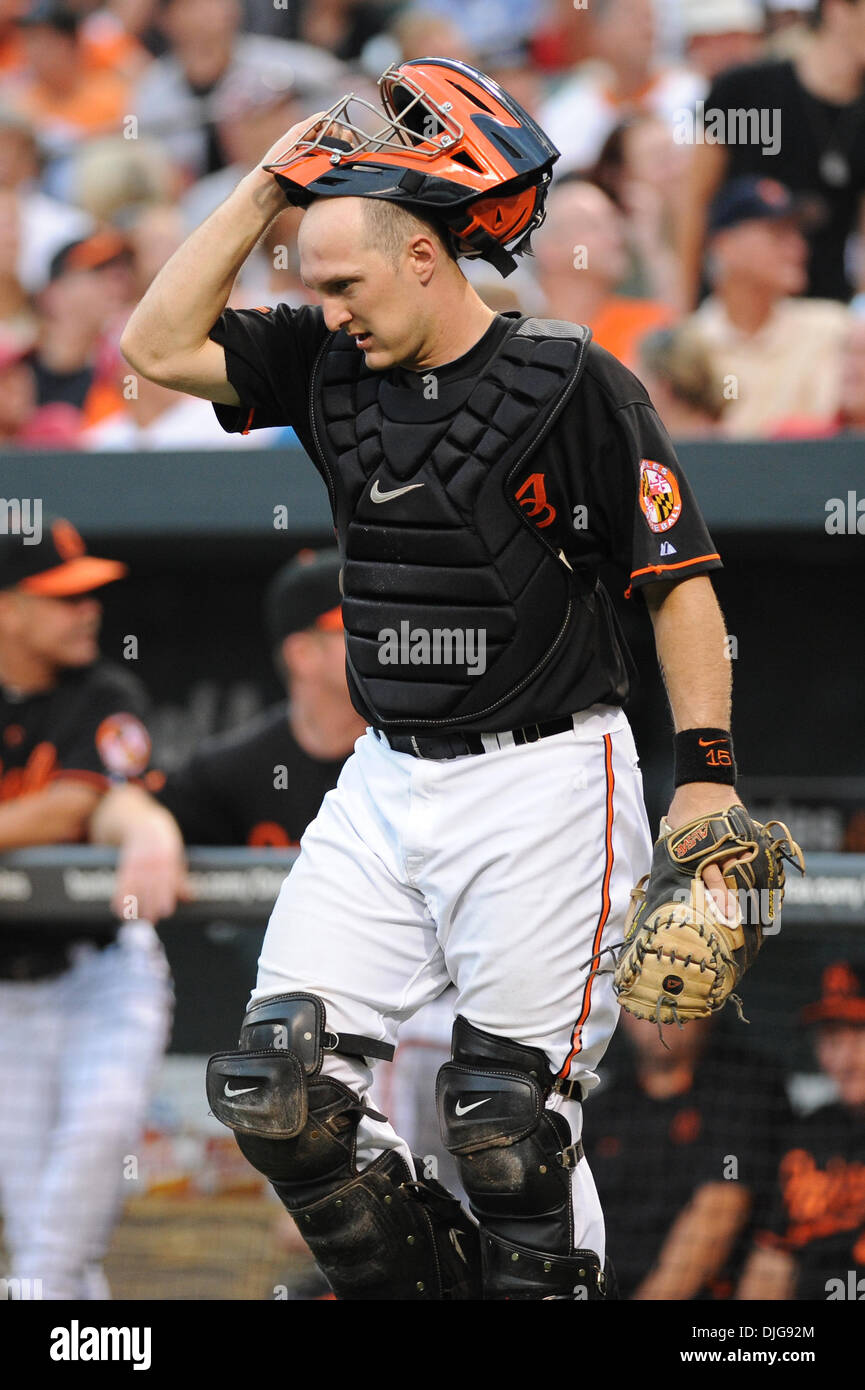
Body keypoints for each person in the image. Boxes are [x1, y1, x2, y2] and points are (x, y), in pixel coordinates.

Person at [120, 56, 752, 1302]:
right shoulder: (323, 362)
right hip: (387, 778)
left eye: (348, 278)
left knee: (507, 1127)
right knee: (277, 1089)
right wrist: (264, 190)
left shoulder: (576, 380)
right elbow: (155, 343)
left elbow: (680, 580)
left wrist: (707, 773)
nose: (332, 305)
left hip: (549, 777)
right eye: (318, 283)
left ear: (425, 259)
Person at [0, 518, 172, 1300]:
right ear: (8, 611)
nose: (87, 613)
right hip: (9, 994)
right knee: (43, 1231)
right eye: (62, 599)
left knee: (87, 1165)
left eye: (89, 597)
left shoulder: (105, 691)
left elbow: (70, 808)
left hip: (100, 973)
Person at [586, 1010, 790, 1300]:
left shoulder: (746, 1089)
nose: (661, 1010)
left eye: (677, 989)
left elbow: (715, 1220)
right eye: (646, 991)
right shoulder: (603, 1104)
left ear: (711, 1001)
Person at [678, 0, 865, 306]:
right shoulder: (743, 89)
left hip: (822, 313)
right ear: (838, 10)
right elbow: (694, 202)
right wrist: (684, 306)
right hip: (731, 307)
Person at [737, 961, 865, 1300]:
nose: (845, 1060)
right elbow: (772, 1260)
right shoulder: (808, 1135)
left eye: (859, 1036)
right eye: (832, 1040)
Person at [685, 176, 848, 436]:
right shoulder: (686, 346)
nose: (799, 247)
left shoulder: (835, 329)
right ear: (726, 246)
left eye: (798, 233)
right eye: (779, 233)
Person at [532, 178, 674, 371]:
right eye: (593, 225)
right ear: (548, 248)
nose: (616, 236)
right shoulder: (517, 330)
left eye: (615, 224)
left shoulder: (648, 329)